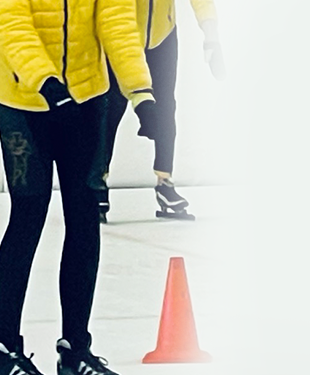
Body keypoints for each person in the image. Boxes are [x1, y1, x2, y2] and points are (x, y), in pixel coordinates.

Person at [0, 0, 156, 375]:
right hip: (25, 99)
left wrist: (141, 91)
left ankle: (76, 350)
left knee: (84, 216)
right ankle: (5, 352)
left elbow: (116, 19)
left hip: (85, 96)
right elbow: (10, 22)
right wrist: (45, 81)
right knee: (28, 214)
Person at [95, 0, 225, 221]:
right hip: (122, 34)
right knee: (110, 108)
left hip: (162, 35)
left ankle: (165, 182)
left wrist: (211, 35)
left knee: (165, 107)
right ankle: (98, 179)